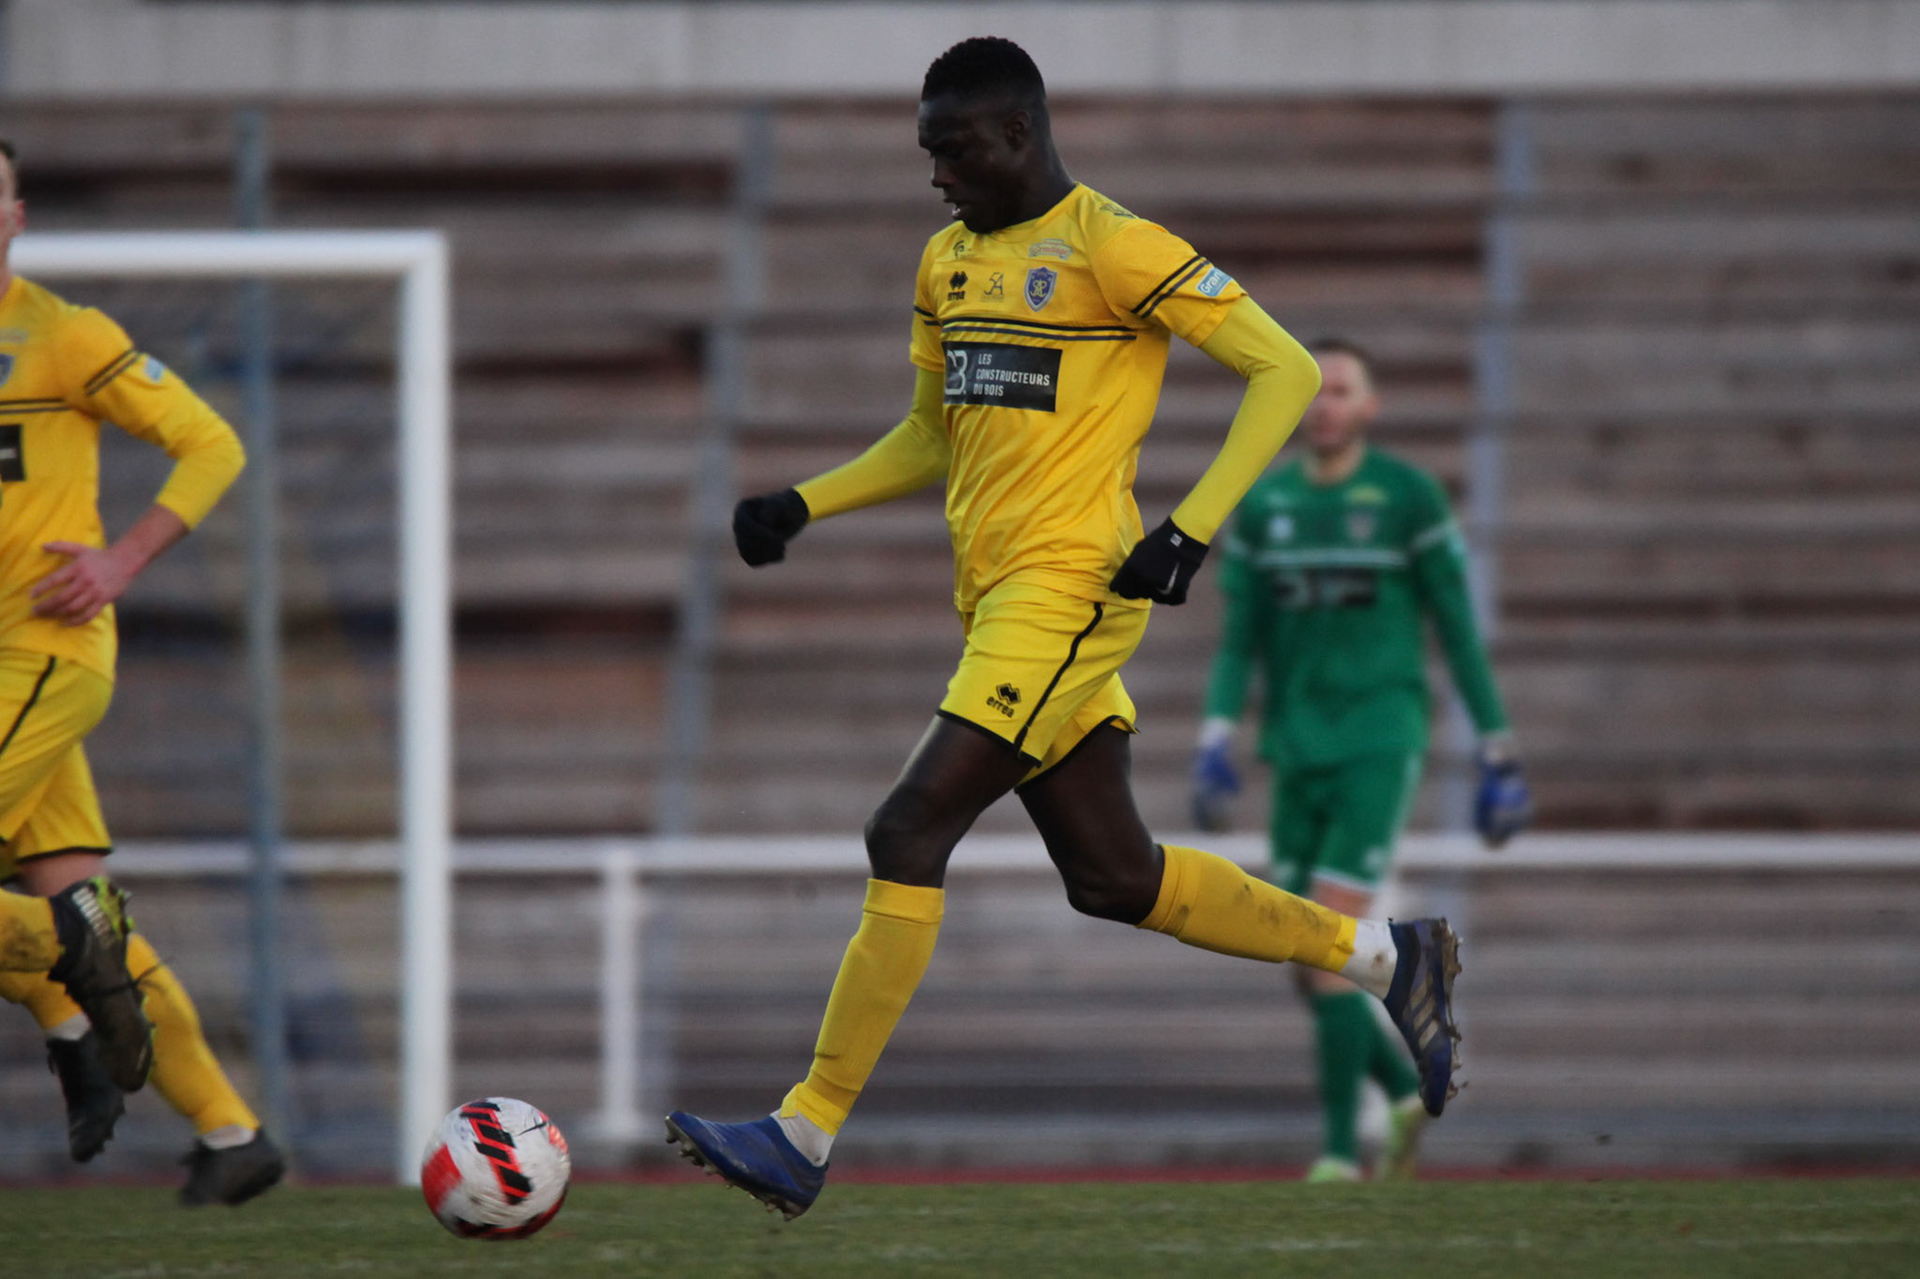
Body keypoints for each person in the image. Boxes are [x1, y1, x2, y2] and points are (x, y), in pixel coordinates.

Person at [665, 38, 1461, 1219]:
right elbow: (934, 432)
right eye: (927, 151)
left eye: (953, 150)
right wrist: (806, 502)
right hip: (997, 601)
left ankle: (805, 1128)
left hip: (1071, 592)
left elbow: (1285, 371)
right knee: (1114, 876)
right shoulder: (945, 261)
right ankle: (1391, 956)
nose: (936, 175)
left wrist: (1190, 529)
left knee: (906, 827)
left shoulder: (1111, 244)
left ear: (1018, 134)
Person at [0, 138, 286, 1205]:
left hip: (40, 653)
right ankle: (229, 1131)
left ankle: (66, 983)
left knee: (71, 924)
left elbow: (211, 443)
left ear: (17, 216)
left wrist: (120, 560)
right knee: (73, 895)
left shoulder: (65, 335)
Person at [1191, 337, 1532, 1182]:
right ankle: (1405, 1093)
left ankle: (1344, 1155)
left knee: (1327, 932)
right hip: (1295, 747)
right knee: (1298, 951)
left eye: (1342, 390)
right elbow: (1238, 639)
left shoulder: (1409, 498)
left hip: (1379, 739)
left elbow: (1457, 629)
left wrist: (1497, 748)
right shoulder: (1265, 507)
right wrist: (1215, 735)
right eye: (1315, 389)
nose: (1326, 404)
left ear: (1371, 407)